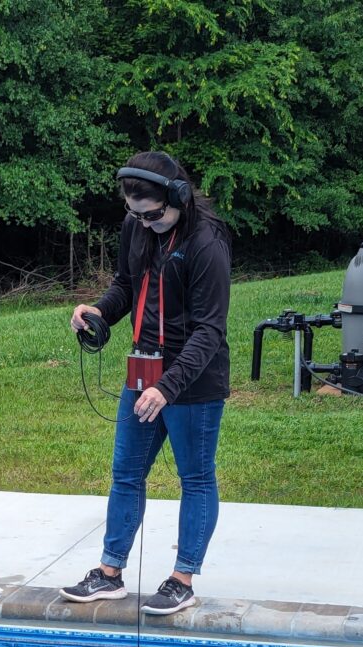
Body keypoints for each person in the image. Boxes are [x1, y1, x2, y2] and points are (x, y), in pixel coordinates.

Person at [61, 151, 232, 615]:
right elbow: (126, 285)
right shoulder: (136, 226)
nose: (144, 223)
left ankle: (182, 579)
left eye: (152, 215)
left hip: (192, 381)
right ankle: (109, 573)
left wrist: (167, 388)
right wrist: (98, 311)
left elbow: (209, 330)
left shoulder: (206, 243)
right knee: (126, 473)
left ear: (178, 198)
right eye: (135, 214)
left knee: (195, 477)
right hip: (144, 372)